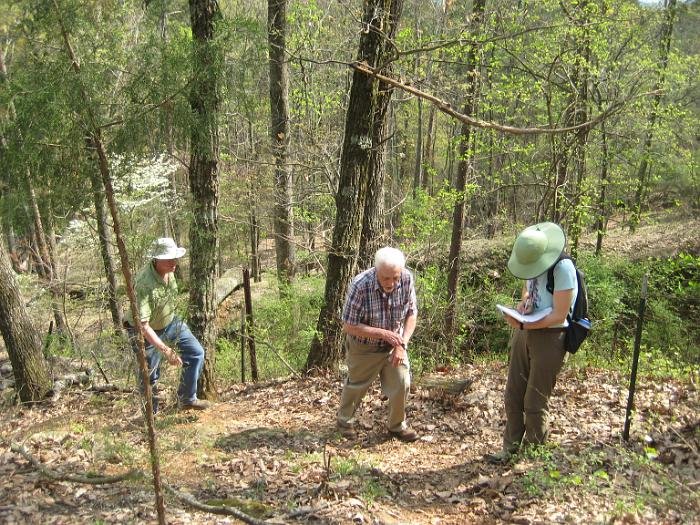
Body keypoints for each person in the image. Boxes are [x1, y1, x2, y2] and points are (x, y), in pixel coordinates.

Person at [486, 222, 577, 464]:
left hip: (551, 337)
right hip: (525, 329)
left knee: (535, 400)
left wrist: (525, 325)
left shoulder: (562, 268)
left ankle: (534, 457)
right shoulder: (529, 263)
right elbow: (528, 290)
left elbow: (559, 314)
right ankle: (510, 449)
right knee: (513, 393)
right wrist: (523, 304)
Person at [336, 246, 419, 442]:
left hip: (395, 345)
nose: (391, 283)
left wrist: (401, 344)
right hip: (364, 346)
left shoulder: (407, 278)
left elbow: (411, 314)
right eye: (386, 278)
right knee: (357, 385)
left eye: (395, 278)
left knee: (402, 383)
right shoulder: (360, 285)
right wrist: (383, 334)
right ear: (376, 271)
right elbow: (349, 325)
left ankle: (396, 426)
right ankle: (344, 422)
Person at [124, 237, 210, 413]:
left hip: (170, 321)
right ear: (157, 260)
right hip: (144, 330)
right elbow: (143, 325)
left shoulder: (170, 273)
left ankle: (187, 399)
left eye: (175, 258)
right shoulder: (144, 284)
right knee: (150, 375)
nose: (174, 263)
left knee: (196, 353)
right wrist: (166, 350)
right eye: (169, 259)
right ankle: (151, 417)